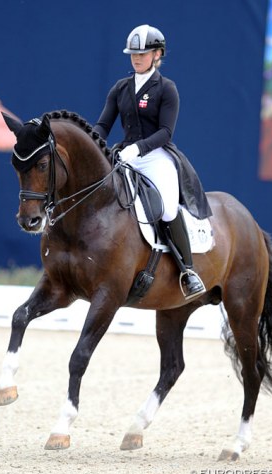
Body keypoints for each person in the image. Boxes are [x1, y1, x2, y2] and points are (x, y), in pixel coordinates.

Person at [94, 24, 211, 300]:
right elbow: (102, 125)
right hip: (124, 155)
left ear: (157, 54)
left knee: (168, 209)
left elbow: (165, 132)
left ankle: (188, 271)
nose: (136, 58)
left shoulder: (166, 89)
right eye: (133, 54)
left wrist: (137, 149)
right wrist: (92, 143)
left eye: (143, 53)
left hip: (156, 156)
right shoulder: (120, 88)